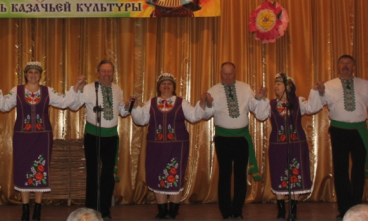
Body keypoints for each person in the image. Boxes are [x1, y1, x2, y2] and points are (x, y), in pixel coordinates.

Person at [0, 62, 85, 221]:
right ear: (26, 74)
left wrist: (76, 86)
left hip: (42, 137)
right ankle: (25, 208)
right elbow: (4, 106)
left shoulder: (48, 91)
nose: (33, 75)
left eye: (36, 72)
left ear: (40, 75)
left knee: (40, 171)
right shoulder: (16, 91)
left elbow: (64, 102)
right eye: (30, 72)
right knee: (23, 170)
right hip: (22, 137)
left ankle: (38, 209)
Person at [308, 55, 368, 218]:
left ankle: (357, 207)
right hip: (339, 131)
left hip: (359, 131)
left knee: (358, 170)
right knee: (340, 170)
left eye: (349, 63)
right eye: (342, 63)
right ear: (338, 66)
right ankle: (344, 209)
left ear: (354, 67)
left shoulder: (364, 84)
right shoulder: (329, 85)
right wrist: (319, 92)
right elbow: (313, 107)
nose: (345, 65)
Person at [131, 73, 209, 219]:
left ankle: (173, 210)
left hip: (177, 147)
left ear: (173, 87)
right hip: (156, 147)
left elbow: (194, 116)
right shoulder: (151, 103)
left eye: (169, 84)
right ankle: (162, 210)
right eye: (163, 84)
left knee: (175, 175)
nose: (166, 86)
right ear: (159, 87)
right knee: (157, 174)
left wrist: (202, 103)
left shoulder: (181, 102)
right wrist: (135, 108)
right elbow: (141, 120)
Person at [201, 62, 269, 219]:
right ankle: (226, 212)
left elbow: (256, 110)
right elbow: (206, 115)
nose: (227, 77)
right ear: (220, 73)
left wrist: (258, 98)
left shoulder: (245, 88)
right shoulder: (213, 90)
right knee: (224, 175)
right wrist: (208, 104)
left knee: (240, 176)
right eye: (224, 74)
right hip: (223, 139)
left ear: (235, 73)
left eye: (230, 73)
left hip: (241, 138)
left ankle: (237, 210)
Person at [72, 60, 135, 220]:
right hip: (93, 136)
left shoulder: (117, 90)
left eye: (109, 71)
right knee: (93, 174)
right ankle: (91, 210)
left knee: (108, 175)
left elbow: (123, 113)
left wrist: (129, 105)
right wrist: (77, 89)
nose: (107, 74)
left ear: (113, 73)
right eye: (104, 71)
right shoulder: (88, 88)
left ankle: (105, 211)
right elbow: (74, 105)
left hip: (111, 137)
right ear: (98, 73)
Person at [268, 73, 321, 219]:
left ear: (288, 87)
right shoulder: (270, 104)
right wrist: (259, 99)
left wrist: (315, 91)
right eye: (275, 83)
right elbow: (260, 114)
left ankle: (293, 210)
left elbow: (312, 108)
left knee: (295, 175)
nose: (276, 86)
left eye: (279, 84)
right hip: (277, 145)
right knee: (279, 174)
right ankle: (281, 210)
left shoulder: (299, 102)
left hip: (297, 144)